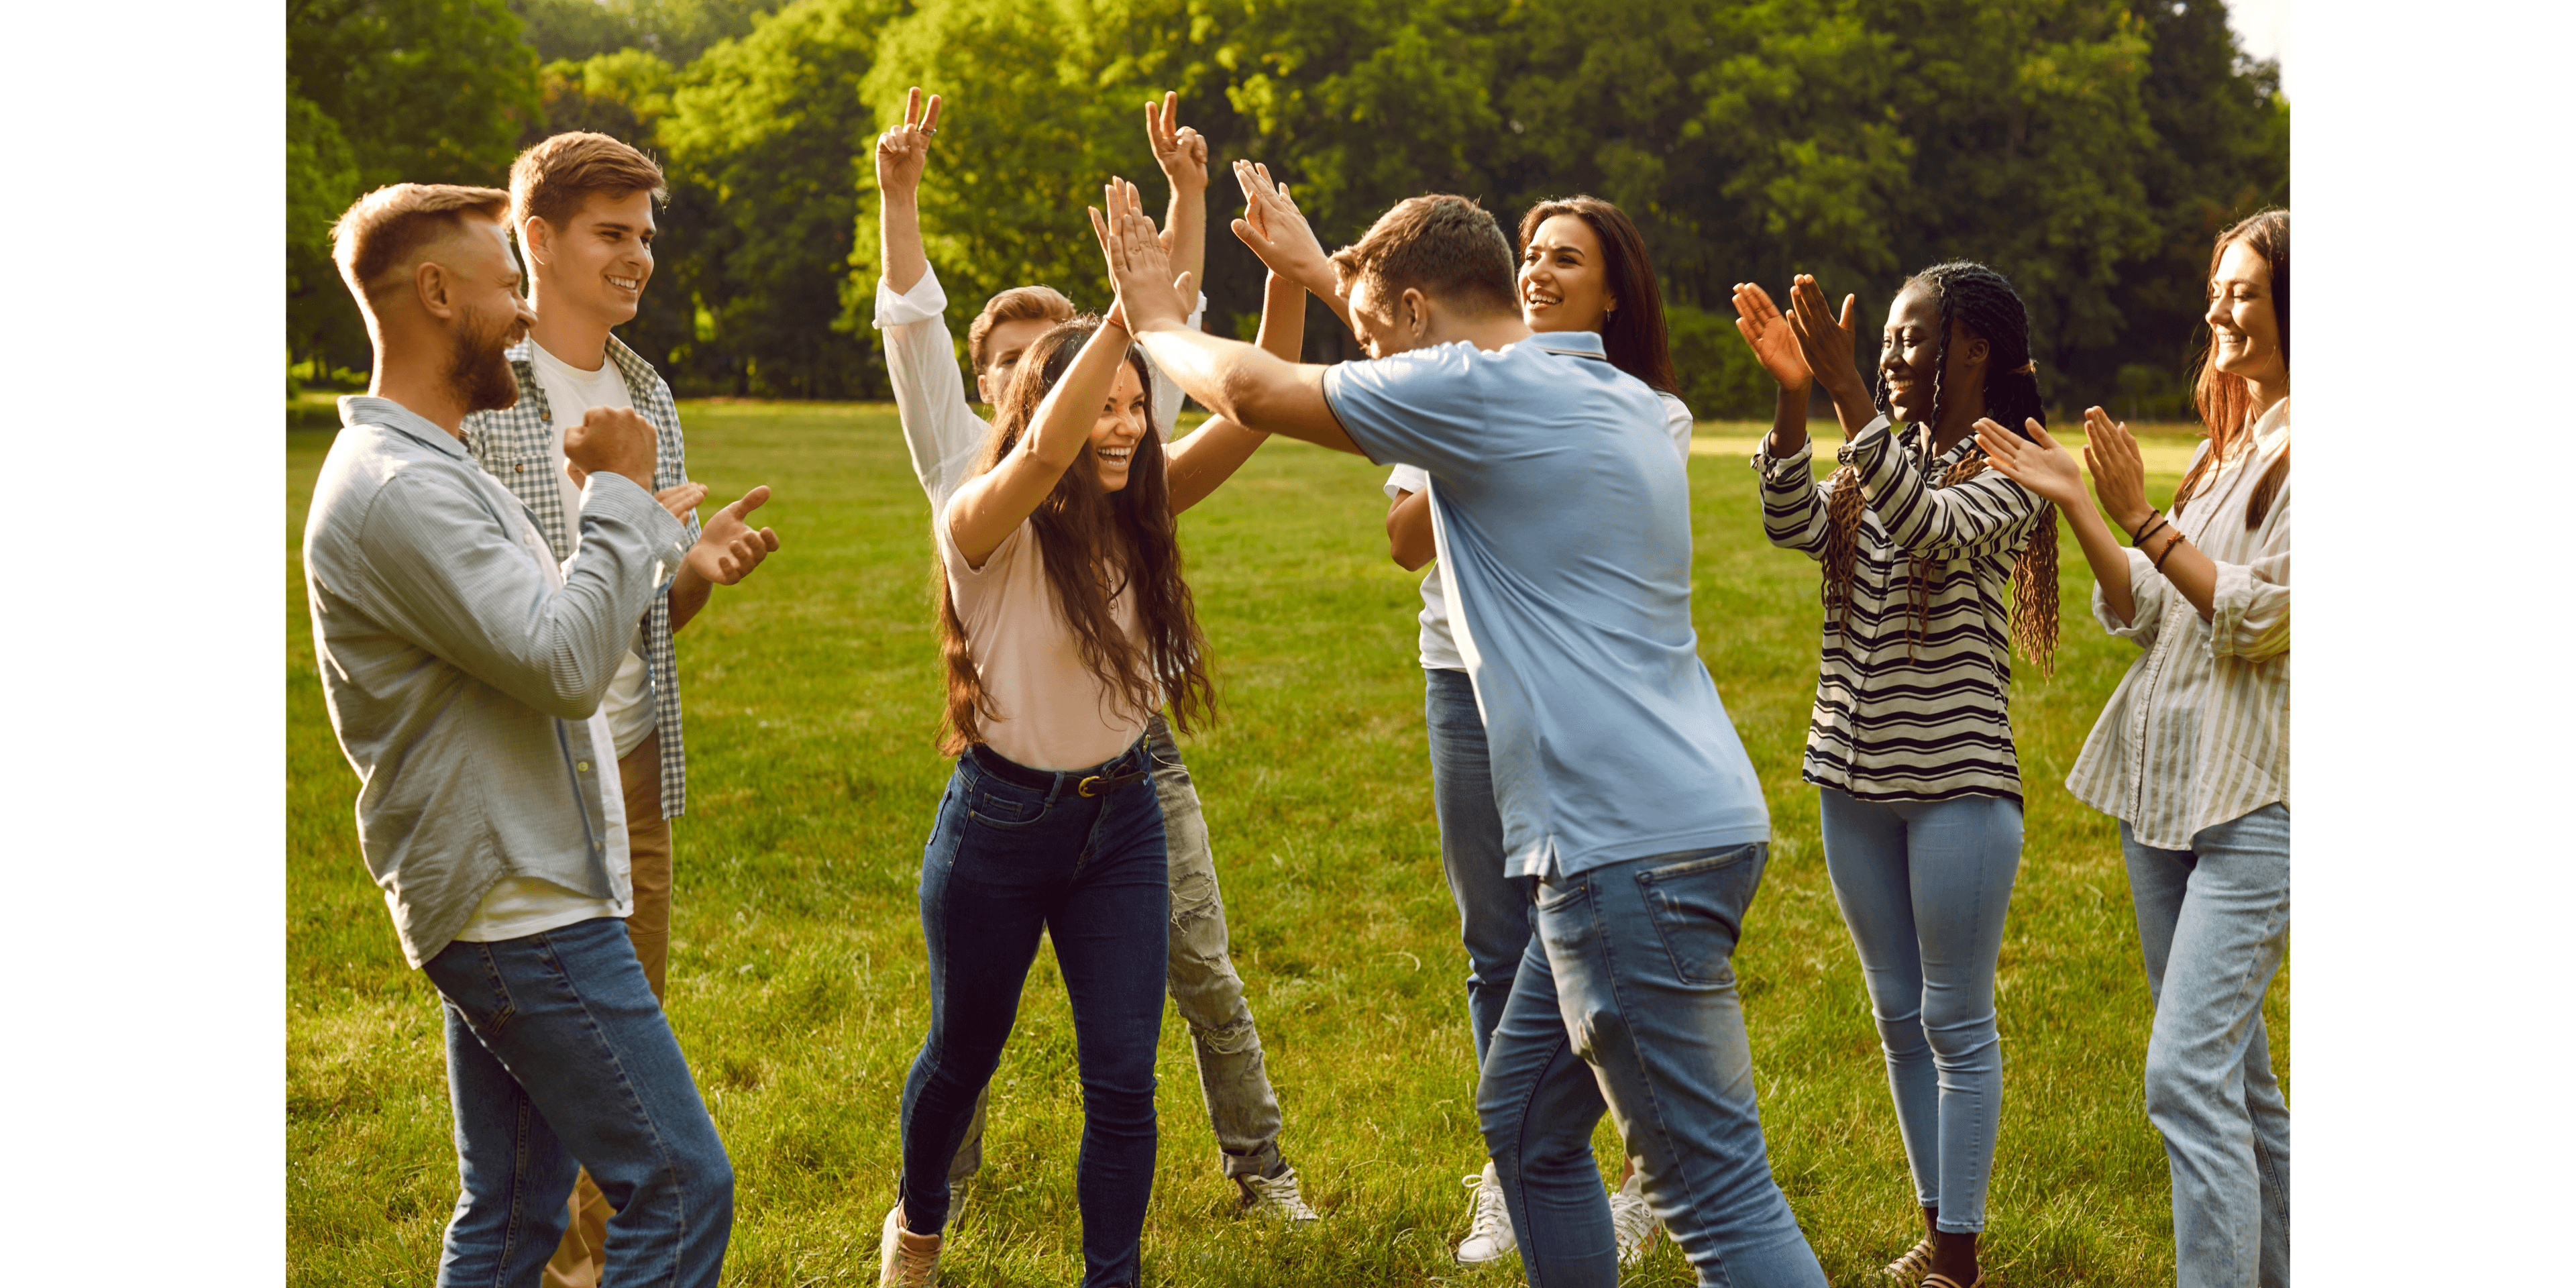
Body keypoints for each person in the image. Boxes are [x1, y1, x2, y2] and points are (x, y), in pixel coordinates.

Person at [1106, 179, 1827, 1288]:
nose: (1373, 341)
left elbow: (1249, 388)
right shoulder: (1624, 399)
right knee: (1528, 1124)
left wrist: (1157, 322)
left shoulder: (1477, 392)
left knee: (1718, 1196)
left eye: (1377, 321)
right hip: (1692, 820)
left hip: (1620, 853)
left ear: (1411, 318)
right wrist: (1332, 273)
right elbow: (1400, 317)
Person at [869, 87, 1318, 1222]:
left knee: (1179, 999)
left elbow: (1225, 392)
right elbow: (919, 327)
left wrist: (1223, 231)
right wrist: (900, 196)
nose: (1106, 414)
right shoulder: (970, 480)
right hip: (1010, 786)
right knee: (968, 1028)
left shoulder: (1134, 483)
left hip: (1131, 778)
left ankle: (1259, 1171)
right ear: (999, 391)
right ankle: (935, 1199)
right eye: (1039, 371)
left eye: (1121, 403)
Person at [303, 182, 733, 1287]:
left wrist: (635, 531)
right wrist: (620, 498)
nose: (525, 314)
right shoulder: (401, 488)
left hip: (531, 883)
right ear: (437, 293)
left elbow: (549, 638)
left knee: (512, 1213)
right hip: (518, 905)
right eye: (507, 286)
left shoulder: (437, 462)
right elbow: (562, 664)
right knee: (680, 1187)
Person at [458, 130, 780, 1288]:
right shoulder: (485, 396)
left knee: (624, 1042)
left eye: (646, 234)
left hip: (633, 768)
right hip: (532, 775)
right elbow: (502, 622)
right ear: (535, 238)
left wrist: (695, 572)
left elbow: (645, 620)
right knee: (563, 1072)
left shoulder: (648, 393)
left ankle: (597, 1262)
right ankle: (555, 1261)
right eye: (612, 234)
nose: (639, 256)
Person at [1364, 186, 1694, 1270]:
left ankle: (1630, 1169)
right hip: (1461, 677)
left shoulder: (1639, 410)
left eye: (1567, 259)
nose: (1542, 273)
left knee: (1586, 936)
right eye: (1533, 256)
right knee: (1495, 940)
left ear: (1613, 293)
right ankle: (1519, 1174)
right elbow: (1408, 541)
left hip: (1569, 702)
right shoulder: (1459, 383)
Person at [1729, 261, 2060, 1288]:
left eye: (1912, 339)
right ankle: (1936, 1227)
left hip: (1958, 787)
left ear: (1972, 351)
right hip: (1851, 780)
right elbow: (1794, 524)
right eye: (1887, 341)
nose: (1889, 353)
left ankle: (1957, 1261)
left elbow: (1936, 527)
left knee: (1954, 1019)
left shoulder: (2011, 463)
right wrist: (1795, 398)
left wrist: (1848, 400)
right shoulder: (1890, 452)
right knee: (1896, 1014)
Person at [1976, 209, 2290, 1288]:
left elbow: (2260, 616)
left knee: (2185, 1079)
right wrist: (2080, 503)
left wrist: (2147, 519)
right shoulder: (2222, 452)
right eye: (2218, 288)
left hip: (2257, 804)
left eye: (2246, 290)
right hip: (2165, 797)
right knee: (2239, 1091)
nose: (2221, 309)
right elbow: (2153, 609)